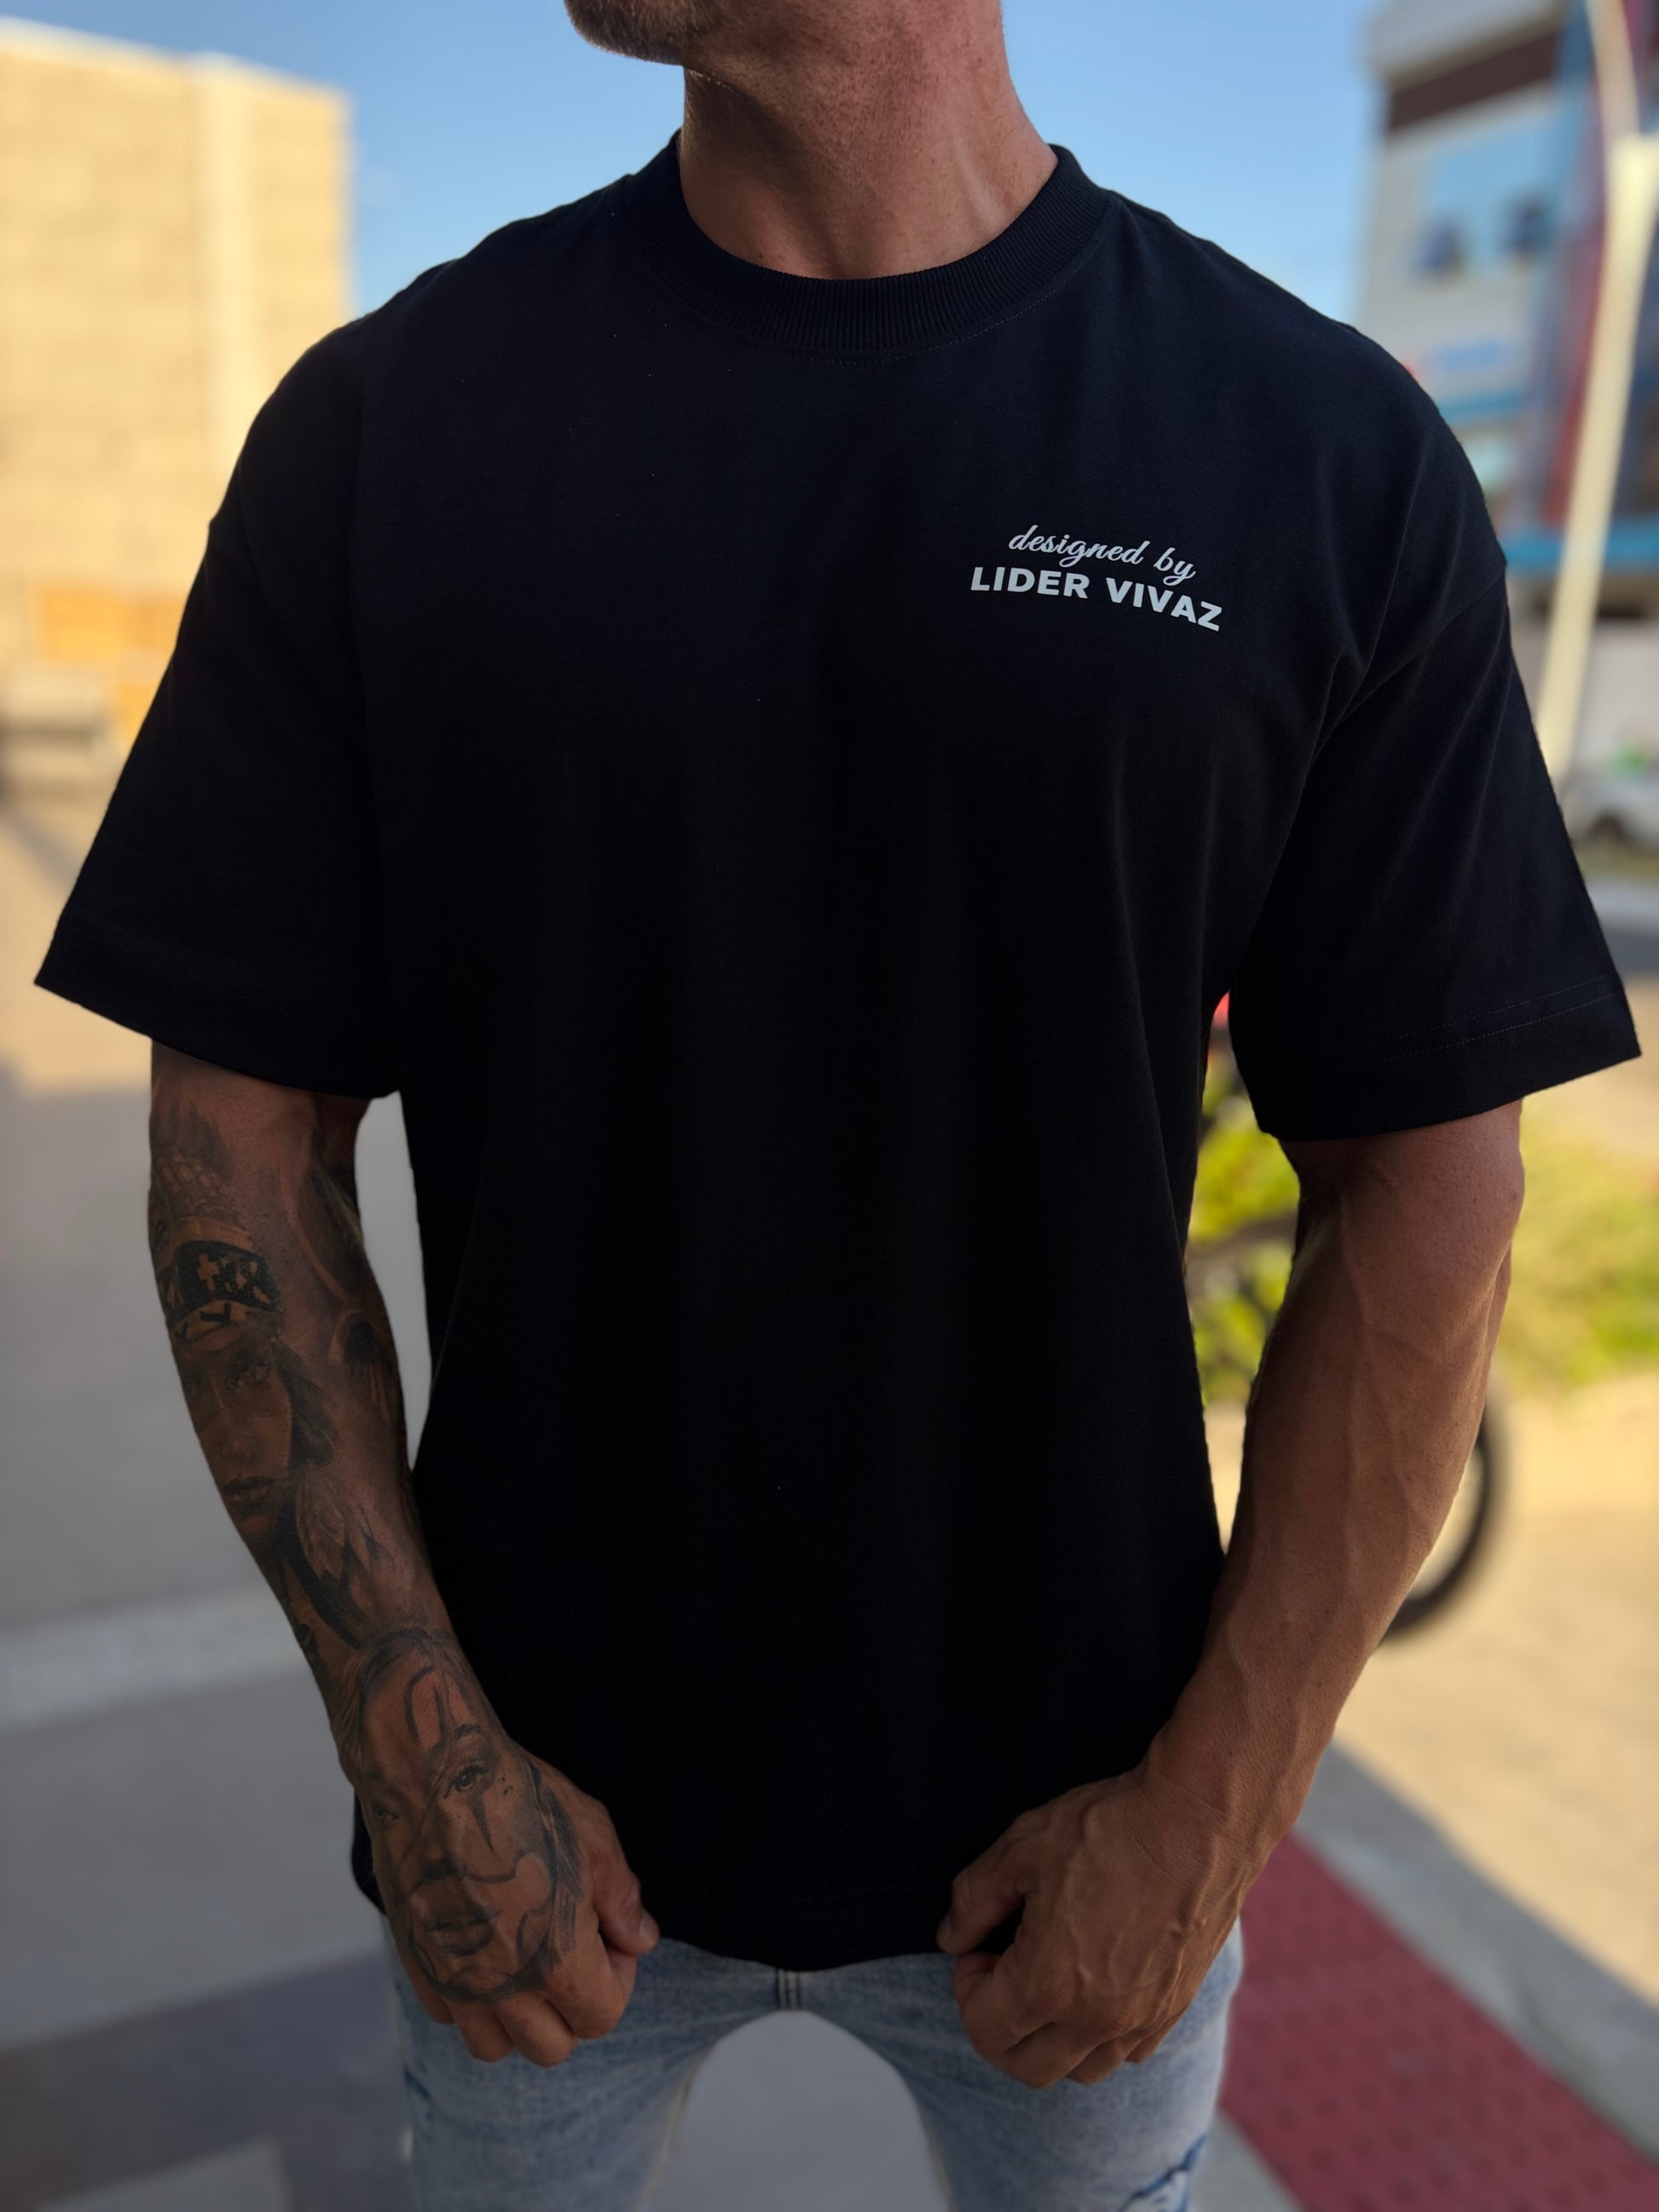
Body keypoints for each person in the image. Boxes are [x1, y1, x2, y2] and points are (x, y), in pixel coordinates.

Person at [38, 0, 1639, 2203]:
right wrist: (417, 1749)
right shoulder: (395, 426)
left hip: (1084, 1833)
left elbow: (1431, 1175)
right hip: (529, 1830)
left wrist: (1211, 1812)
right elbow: (236, 1129)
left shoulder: (1306, 448)